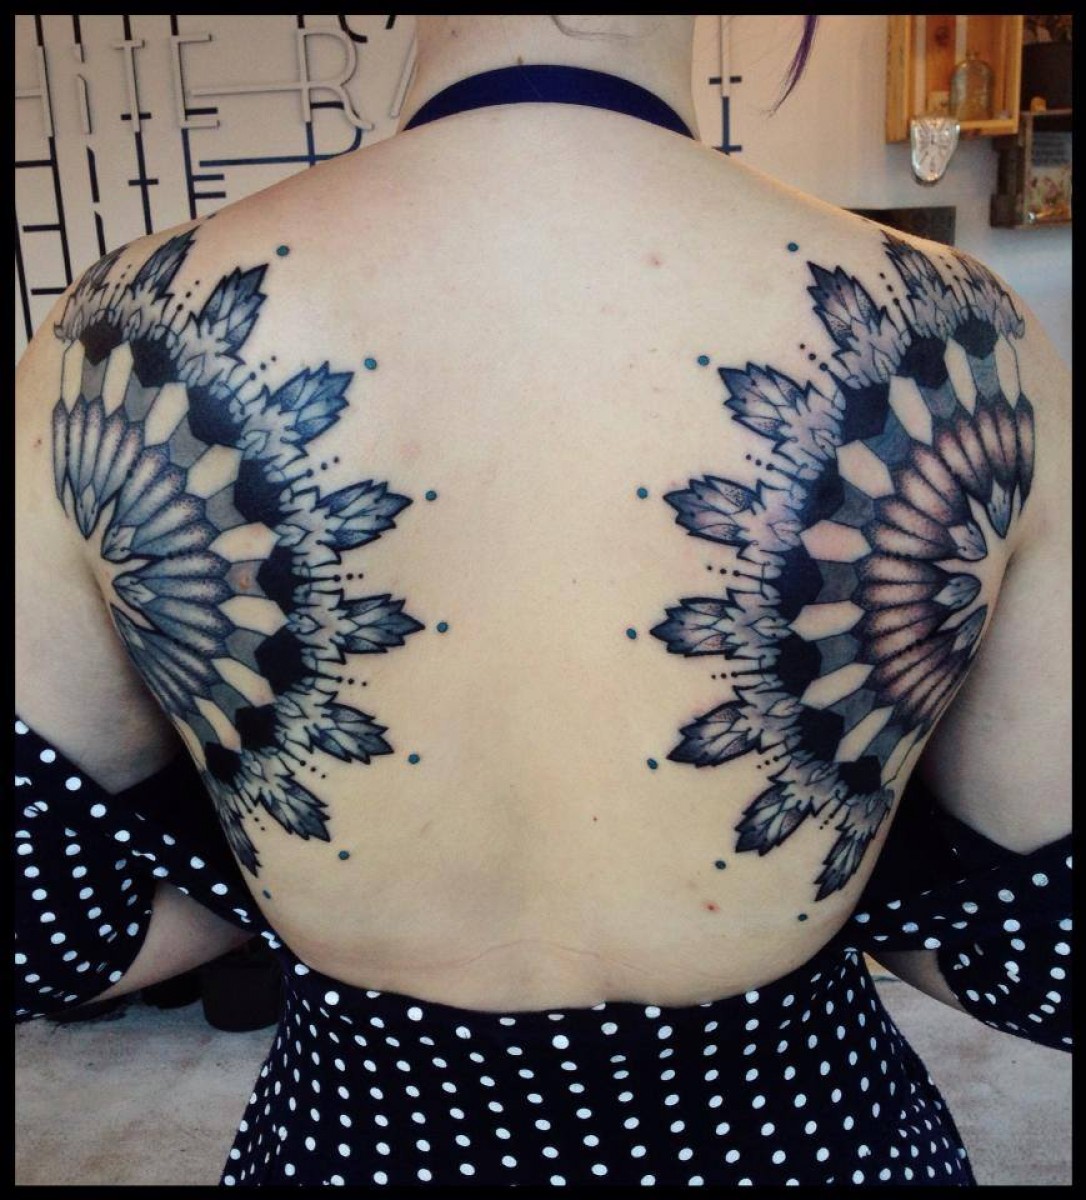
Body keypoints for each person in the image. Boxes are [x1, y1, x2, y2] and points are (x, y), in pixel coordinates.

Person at [15, 15, 1070, 1187]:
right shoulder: (976, 338)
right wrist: (840, 856)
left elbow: (44, 929)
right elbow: (1046, 955)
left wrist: (280, 861)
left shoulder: (103, 339)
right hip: (806, 1143)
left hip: (364, 1148)